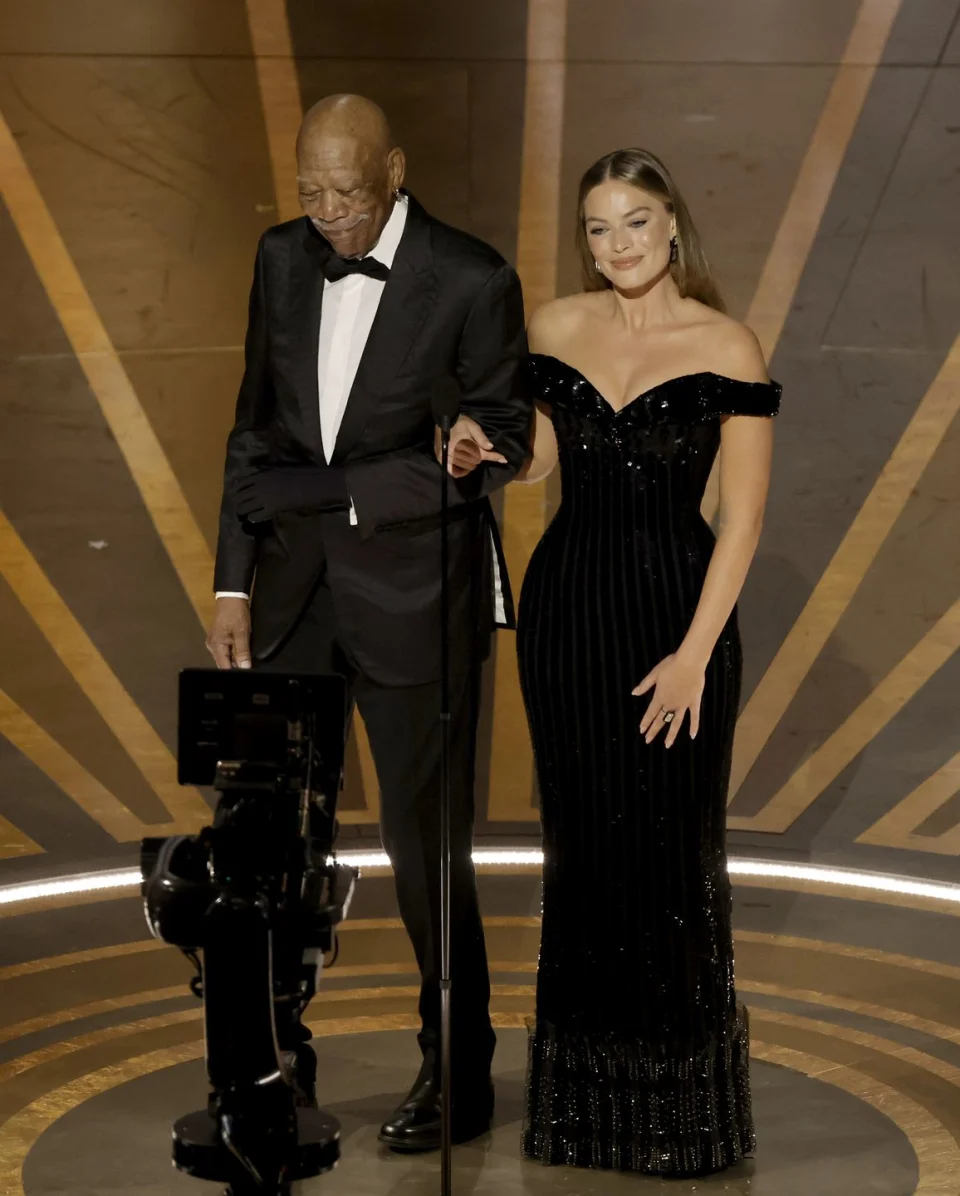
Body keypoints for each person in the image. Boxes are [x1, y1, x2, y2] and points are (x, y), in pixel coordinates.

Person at [205, 94, 531, 1152]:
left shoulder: (472, 277)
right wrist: (233, 584)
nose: (330, 214)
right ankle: (271, 1059)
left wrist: (360, 486)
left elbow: (506, 435)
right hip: (290, 596)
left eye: (347, 193)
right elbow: (254, 426)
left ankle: (458, 1066)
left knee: (424, 842)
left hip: (415, 601)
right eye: (311, 194)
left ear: (393, 170)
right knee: (269, 834)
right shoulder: (280, 258)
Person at [515, 148, 779, 1176]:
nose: (617, 244)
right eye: (598, 227)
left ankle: (678, 1118)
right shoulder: (552, 326)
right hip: (568, 619)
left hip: (679, 620)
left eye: (634, 221)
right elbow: (541, 459)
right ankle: (585, 1114)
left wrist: (692, 658)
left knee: (672, 857)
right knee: (581, 851)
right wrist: (483, 448)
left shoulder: (727, 345)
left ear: (672, 224)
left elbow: (743, 521)